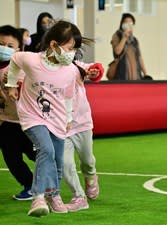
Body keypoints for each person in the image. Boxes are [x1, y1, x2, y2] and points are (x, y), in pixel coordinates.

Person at [6, 20, 98, 217]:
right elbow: (14, 60)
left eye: (75, 49)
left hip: (57, 119)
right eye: (69, 48)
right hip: (32, 116)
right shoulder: (31, 60)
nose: (72, 53)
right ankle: (38, 196)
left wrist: (67, 118)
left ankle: (53, 195)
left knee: (57, 160)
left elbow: (68, 96)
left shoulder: (71, 70)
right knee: (45, 150)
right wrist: (11, 84)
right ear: (54, 45)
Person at [0, 25, 36, 201]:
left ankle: (54, 177)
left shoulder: (22, 69)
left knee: (36, 154)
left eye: (9, 45)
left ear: (18, 49)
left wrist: (13, 85)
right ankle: (30, 185)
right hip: (6, 122)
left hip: (27, 122)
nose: (4, 48)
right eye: (0, 44)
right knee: (12, 159)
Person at [63, 57, 103, 212]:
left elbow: (95, 69)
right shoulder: (46, 68)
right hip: (61, 126)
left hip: (82, 123)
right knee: (65, 163)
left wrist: (94, 71)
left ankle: (91, 176)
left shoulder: (76, 65)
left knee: (87, 160)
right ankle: (78, 196)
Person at [110, 13, 147, 80]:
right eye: (126, 22)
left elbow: (139, 57)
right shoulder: (117, 36)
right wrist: (124, 38)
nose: (129, 25)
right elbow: (117, 51)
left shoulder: (134, 40)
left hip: (136, 75)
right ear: (122, 24)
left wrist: (145, 74)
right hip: (121, 74)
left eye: (131, 23)